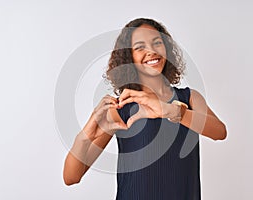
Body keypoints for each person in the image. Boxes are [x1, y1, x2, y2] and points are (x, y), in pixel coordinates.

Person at [63, 18, 227, 200]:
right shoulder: (121, 108)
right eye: (140, 47)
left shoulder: (189, 98)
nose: (151, 51)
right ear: (128, 57)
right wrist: (85, 134)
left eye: (157, 42)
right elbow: (71, 177)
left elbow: (220, 132)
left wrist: (172, 111)